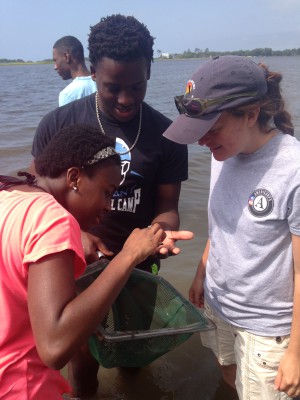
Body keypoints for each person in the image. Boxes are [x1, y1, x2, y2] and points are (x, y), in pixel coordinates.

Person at [31, 15, 191, 397]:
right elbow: (36, 197)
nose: (125, 99)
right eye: (111, 87)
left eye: (136, 86)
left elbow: (167, 205)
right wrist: (79, 234)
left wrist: (160, 232)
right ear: (94, 76)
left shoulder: (168, 136)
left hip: (141, 268)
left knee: (136, 356)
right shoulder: (59, 123)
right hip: (79, 267)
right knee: (82, 365)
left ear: (150, 70)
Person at [163, 55, 300, 400]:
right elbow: (223, 223)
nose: (202, 141)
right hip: (220, 301)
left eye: (210, 129)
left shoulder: (292, 171)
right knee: (229, 372)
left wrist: (296, 353)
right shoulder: (222, 152)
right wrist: (200, 272)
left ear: (251, 114)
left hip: (268, 328)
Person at [0, 124, 168, 399]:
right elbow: (54, 348)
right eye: (107, 191)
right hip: (23, 385)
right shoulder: (53, 219)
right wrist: (129, 256)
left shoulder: (10, 195)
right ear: (75, 177)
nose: (109, 205)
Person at [53, 36, 96, 106]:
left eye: (55, 60)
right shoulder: (101, 83)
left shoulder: (68, 94)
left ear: (66, 57)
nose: (55, 67)